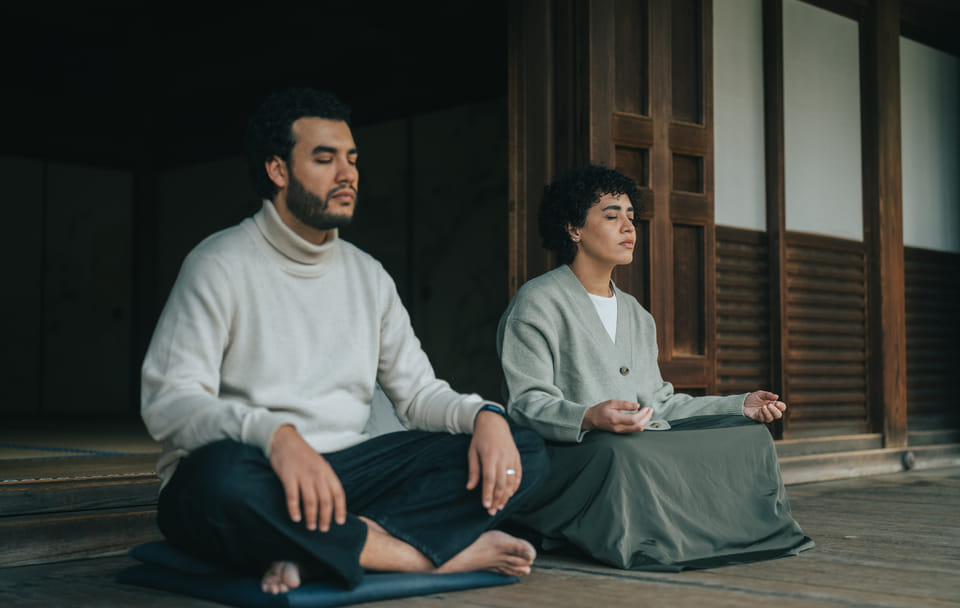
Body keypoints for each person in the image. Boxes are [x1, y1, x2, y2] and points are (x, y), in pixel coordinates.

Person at [141, 87, 549, 595]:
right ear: (277, 170)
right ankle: (417, 555)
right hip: (258, 469)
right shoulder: (218, 263)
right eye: (324, 158)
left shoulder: (368, 275)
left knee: (523, 449)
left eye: (352, 158)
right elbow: (168, 402)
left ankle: (324, 549)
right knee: (212, 485)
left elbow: (418, 394)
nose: (347, 173)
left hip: (350, 476)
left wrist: (484, 415)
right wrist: (276, 436)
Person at [496, 165, 812, 570]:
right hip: (578, 455)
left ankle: (722, 536)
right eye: (612, 216)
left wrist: (739, 406)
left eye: (631, 216)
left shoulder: (637, 315)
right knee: (622, 453)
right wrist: (589, 417)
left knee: (748, 438)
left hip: (635, 442)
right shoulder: (537, 302)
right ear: (573, 228)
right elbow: (526, 403)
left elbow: (660, 404)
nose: (629, 227)